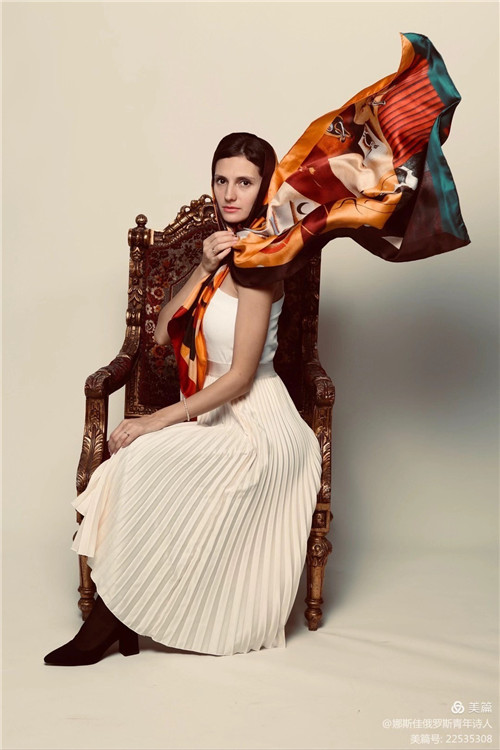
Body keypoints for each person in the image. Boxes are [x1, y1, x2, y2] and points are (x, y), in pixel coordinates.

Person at [44, 132, 323, 666]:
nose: (229, 193)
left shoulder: (260, 262)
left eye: (245, 182)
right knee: (133, 465)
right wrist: (201, 267)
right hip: (210, 410)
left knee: (145, 457)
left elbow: (241, 377)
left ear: (264, 188)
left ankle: (109, 623)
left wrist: (156, 421)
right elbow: (158, 335)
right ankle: (119, 616)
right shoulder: (221, 255)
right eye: (222, 180)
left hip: (257, 423)